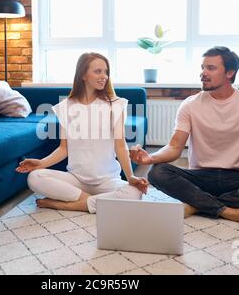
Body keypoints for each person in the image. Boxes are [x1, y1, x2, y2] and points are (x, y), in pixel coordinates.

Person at [130, 46, 239, 228]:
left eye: (210, 68)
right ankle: (230, 211)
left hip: (236, 178)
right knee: (157, 172)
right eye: (202, 67)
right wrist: (150, 157)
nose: (203, 73)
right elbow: (174, 147)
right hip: (200, 176)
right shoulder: (190, 105)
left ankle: (198, 204)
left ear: (230, 73)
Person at [16, 52, 148, 213]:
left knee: (134, 193)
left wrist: (130, 177)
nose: (104, 76)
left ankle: (67, 204)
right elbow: (63, 148)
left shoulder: (116, 104)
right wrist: (41, 163)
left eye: (106, 72)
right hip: (75, 179)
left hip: (107, 181)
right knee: (34, 177)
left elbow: (120, 146)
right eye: (98, 71)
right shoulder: (66, 106)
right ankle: (94, 201)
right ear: (83, 75)